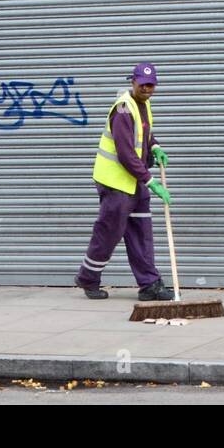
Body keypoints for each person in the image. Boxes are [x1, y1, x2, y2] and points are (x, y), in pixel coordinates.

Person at [74, 62, 174, 301]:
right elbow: (126, 153)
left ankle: (149, 283)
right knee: (109, 232)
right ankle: (88, 277)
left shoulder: (144, 105)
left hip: (134, 182)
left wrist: (156, 146)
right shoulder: (123, 110)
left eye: (151, 85)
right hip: (116, 182)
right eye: (143, 84)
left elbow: (144, 135)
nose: (147, 89)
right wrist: (151, 181)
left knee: (141, 232)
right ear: (133, 82)